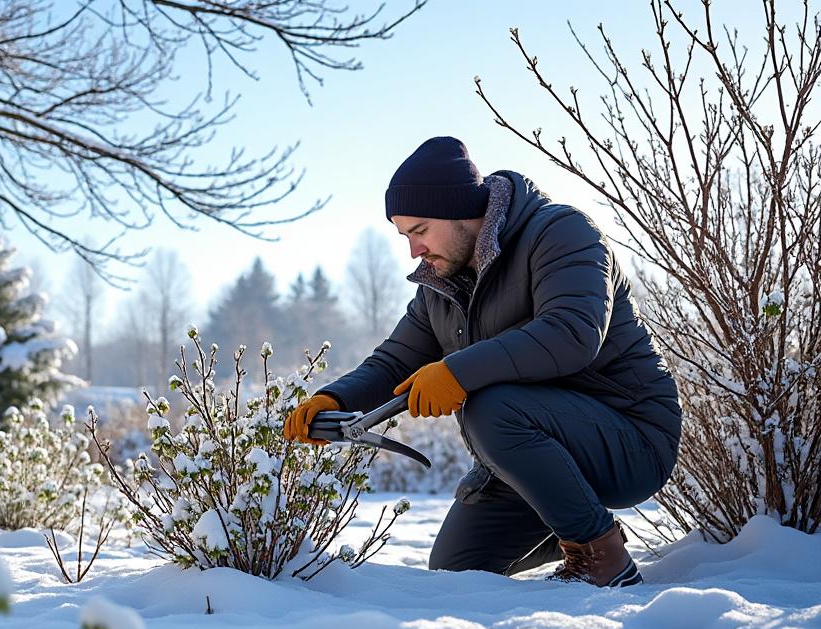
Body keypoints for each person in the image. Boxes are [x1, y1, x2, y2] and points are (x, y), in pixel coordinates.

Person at [283, 137, 681, 587]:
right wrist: (333, 400)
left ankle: (602, 556)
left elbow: (572, 334)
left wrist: (456, 372)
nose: (414, 250)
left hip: (631, 436)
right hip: (533, 447)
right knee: (457, 569)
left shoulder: (563, 233)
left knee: (488, 406)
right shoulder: (440, 286)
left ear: (458, 211)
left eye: (420, 230)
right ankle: (578, 521)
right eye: (406, 236)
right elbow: (394, 361)